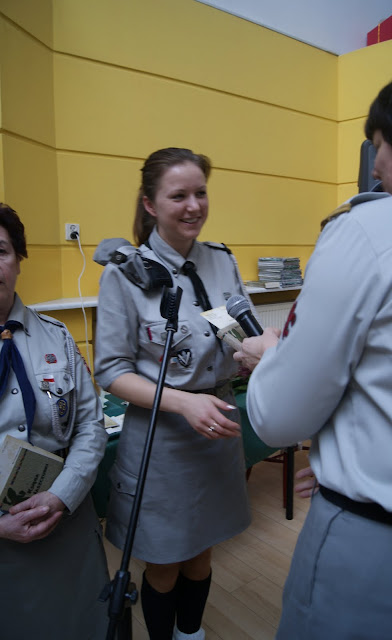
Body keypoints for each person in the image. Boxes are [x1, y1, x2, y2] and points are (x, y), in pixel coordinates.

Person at [234, 55, 392, 640]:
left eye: (378, 150)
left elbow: (278, 416)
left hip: (381, 557)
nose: (377, 170)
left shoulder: (368, 231)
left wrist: (271, 358)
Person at [94, 147, 251, 640]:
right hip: (162, 439)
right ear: (150, 204)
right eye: (178, 195)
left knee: (202, 554)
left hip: (217, 428)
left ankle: (191, 633)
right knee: (164, 562)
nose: (194, 206)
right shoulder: (124, 274)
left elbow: (234, 330)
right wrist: (184, 402)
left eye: (200, 193)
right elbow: (111, 370)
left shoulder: (221, 260)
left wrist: (255, 352)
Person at [0, 204, 109, 639]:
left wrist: (63, 496)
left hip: (65, 519)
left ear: (18, 260)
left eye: (1, 251)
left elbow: (90, 425)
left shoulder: (57, 337)